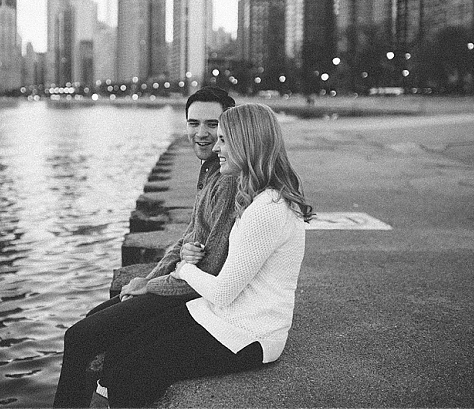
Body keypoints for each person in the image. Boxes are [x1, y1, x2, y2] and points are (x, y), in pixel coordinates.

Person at [93, 103, 313, 408]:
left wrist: (184, 269)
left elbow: (223, 291)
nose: (217, 148)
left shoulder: (267, 210)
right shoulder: (256, 196)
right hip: (221, 316)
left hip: (250, 334)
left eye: (224, 140)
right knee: (121, 349)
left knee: (132, 370)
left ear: (246, 145)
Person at [53, 87, 238, 409]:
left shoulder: (227, 178)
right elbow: (188, 239)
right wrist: (147, 279)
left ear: (231, 128)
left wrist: (151, 286)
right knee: (94, 321)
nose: (202, 134)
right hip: (186, 282)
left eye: (212, 124)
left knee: (80, 337)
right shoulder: (210, 169)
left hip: (199, 295)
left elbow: (211, 265)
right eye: (193, 123)